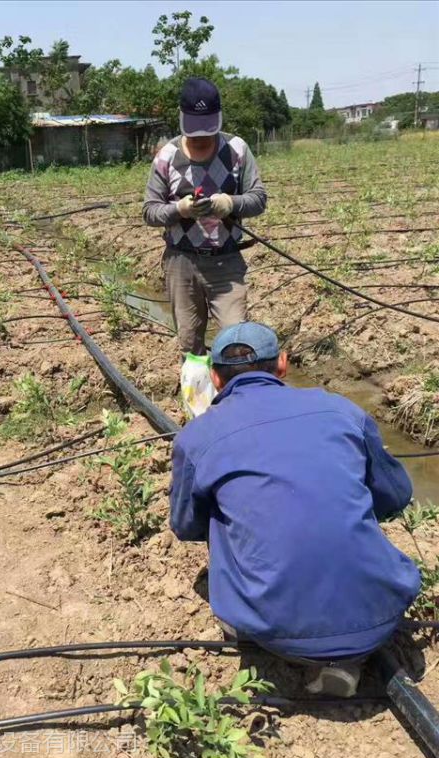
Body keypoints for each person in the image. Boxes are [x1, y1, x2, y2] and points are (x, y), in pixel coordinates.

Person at [169, 321, 421, 697]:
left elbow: (186, 526)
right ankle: (346, 657)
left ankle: (305, 655)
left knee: (224, 516)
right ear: (283, 364)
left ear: (215, 379)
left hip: (270, 628)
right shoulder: (343, 411)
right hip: (383, 613)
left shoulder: (198, 436)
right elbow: (395, 497)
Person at [143, 77, 267, 357]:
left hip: (226, 262)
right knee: (190, 346)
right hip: (181, 263)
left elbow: (258, 199)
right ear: (182, 118)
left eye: (206, 130)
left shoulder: (237, 150)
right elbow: (150, 211)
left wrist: (229, 203)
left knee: (236, 345)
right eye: (194, 129)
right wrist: (179, 210)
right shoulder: (166, 156)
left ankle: (235, 397)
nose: (200, 137)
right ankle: (198, 397)